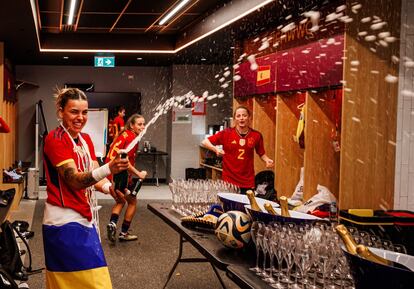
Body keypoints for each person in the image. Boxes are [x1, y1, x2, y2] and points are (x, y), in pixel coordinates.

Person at [42, 88, 129, 289]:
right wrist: (110, 167)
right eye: (74, 111)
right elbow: (73, 179)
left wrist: (109, 188)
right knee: (95, 284)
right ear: (61, 111)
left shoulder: (86, 140)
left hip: (84, 216)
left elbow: (94, 173)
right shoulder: (55, 139)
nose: (80, 117)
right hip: (63, 222)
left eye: (85, 112)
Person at [201, 106, 274, 194]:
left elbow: (261, 153)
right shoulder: (226, 133)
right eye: (238, 116)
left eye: (244, 115)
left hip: (247, 181)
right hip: (229, 181)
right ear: (235, 119)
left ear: (249, 118)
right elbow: (205, 142)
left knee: (245, 206)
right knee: (230, 207)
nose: (241, 118)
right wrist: (215, 149)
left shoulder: (256, 135)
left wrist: (267, 160)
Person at [106, 114, 148, 242]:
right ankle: (123, 233)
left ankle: (112, 224)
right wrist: (139, 174)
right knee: (132, 202)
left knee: (120, 201)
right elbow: (124, 161)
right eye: (139, 124)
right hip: (119, 174)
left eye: (143, 124)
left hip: (112, 174)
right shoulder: (131, 137)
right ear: (131, 125)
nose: (142, 126)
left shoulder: (124, 135)